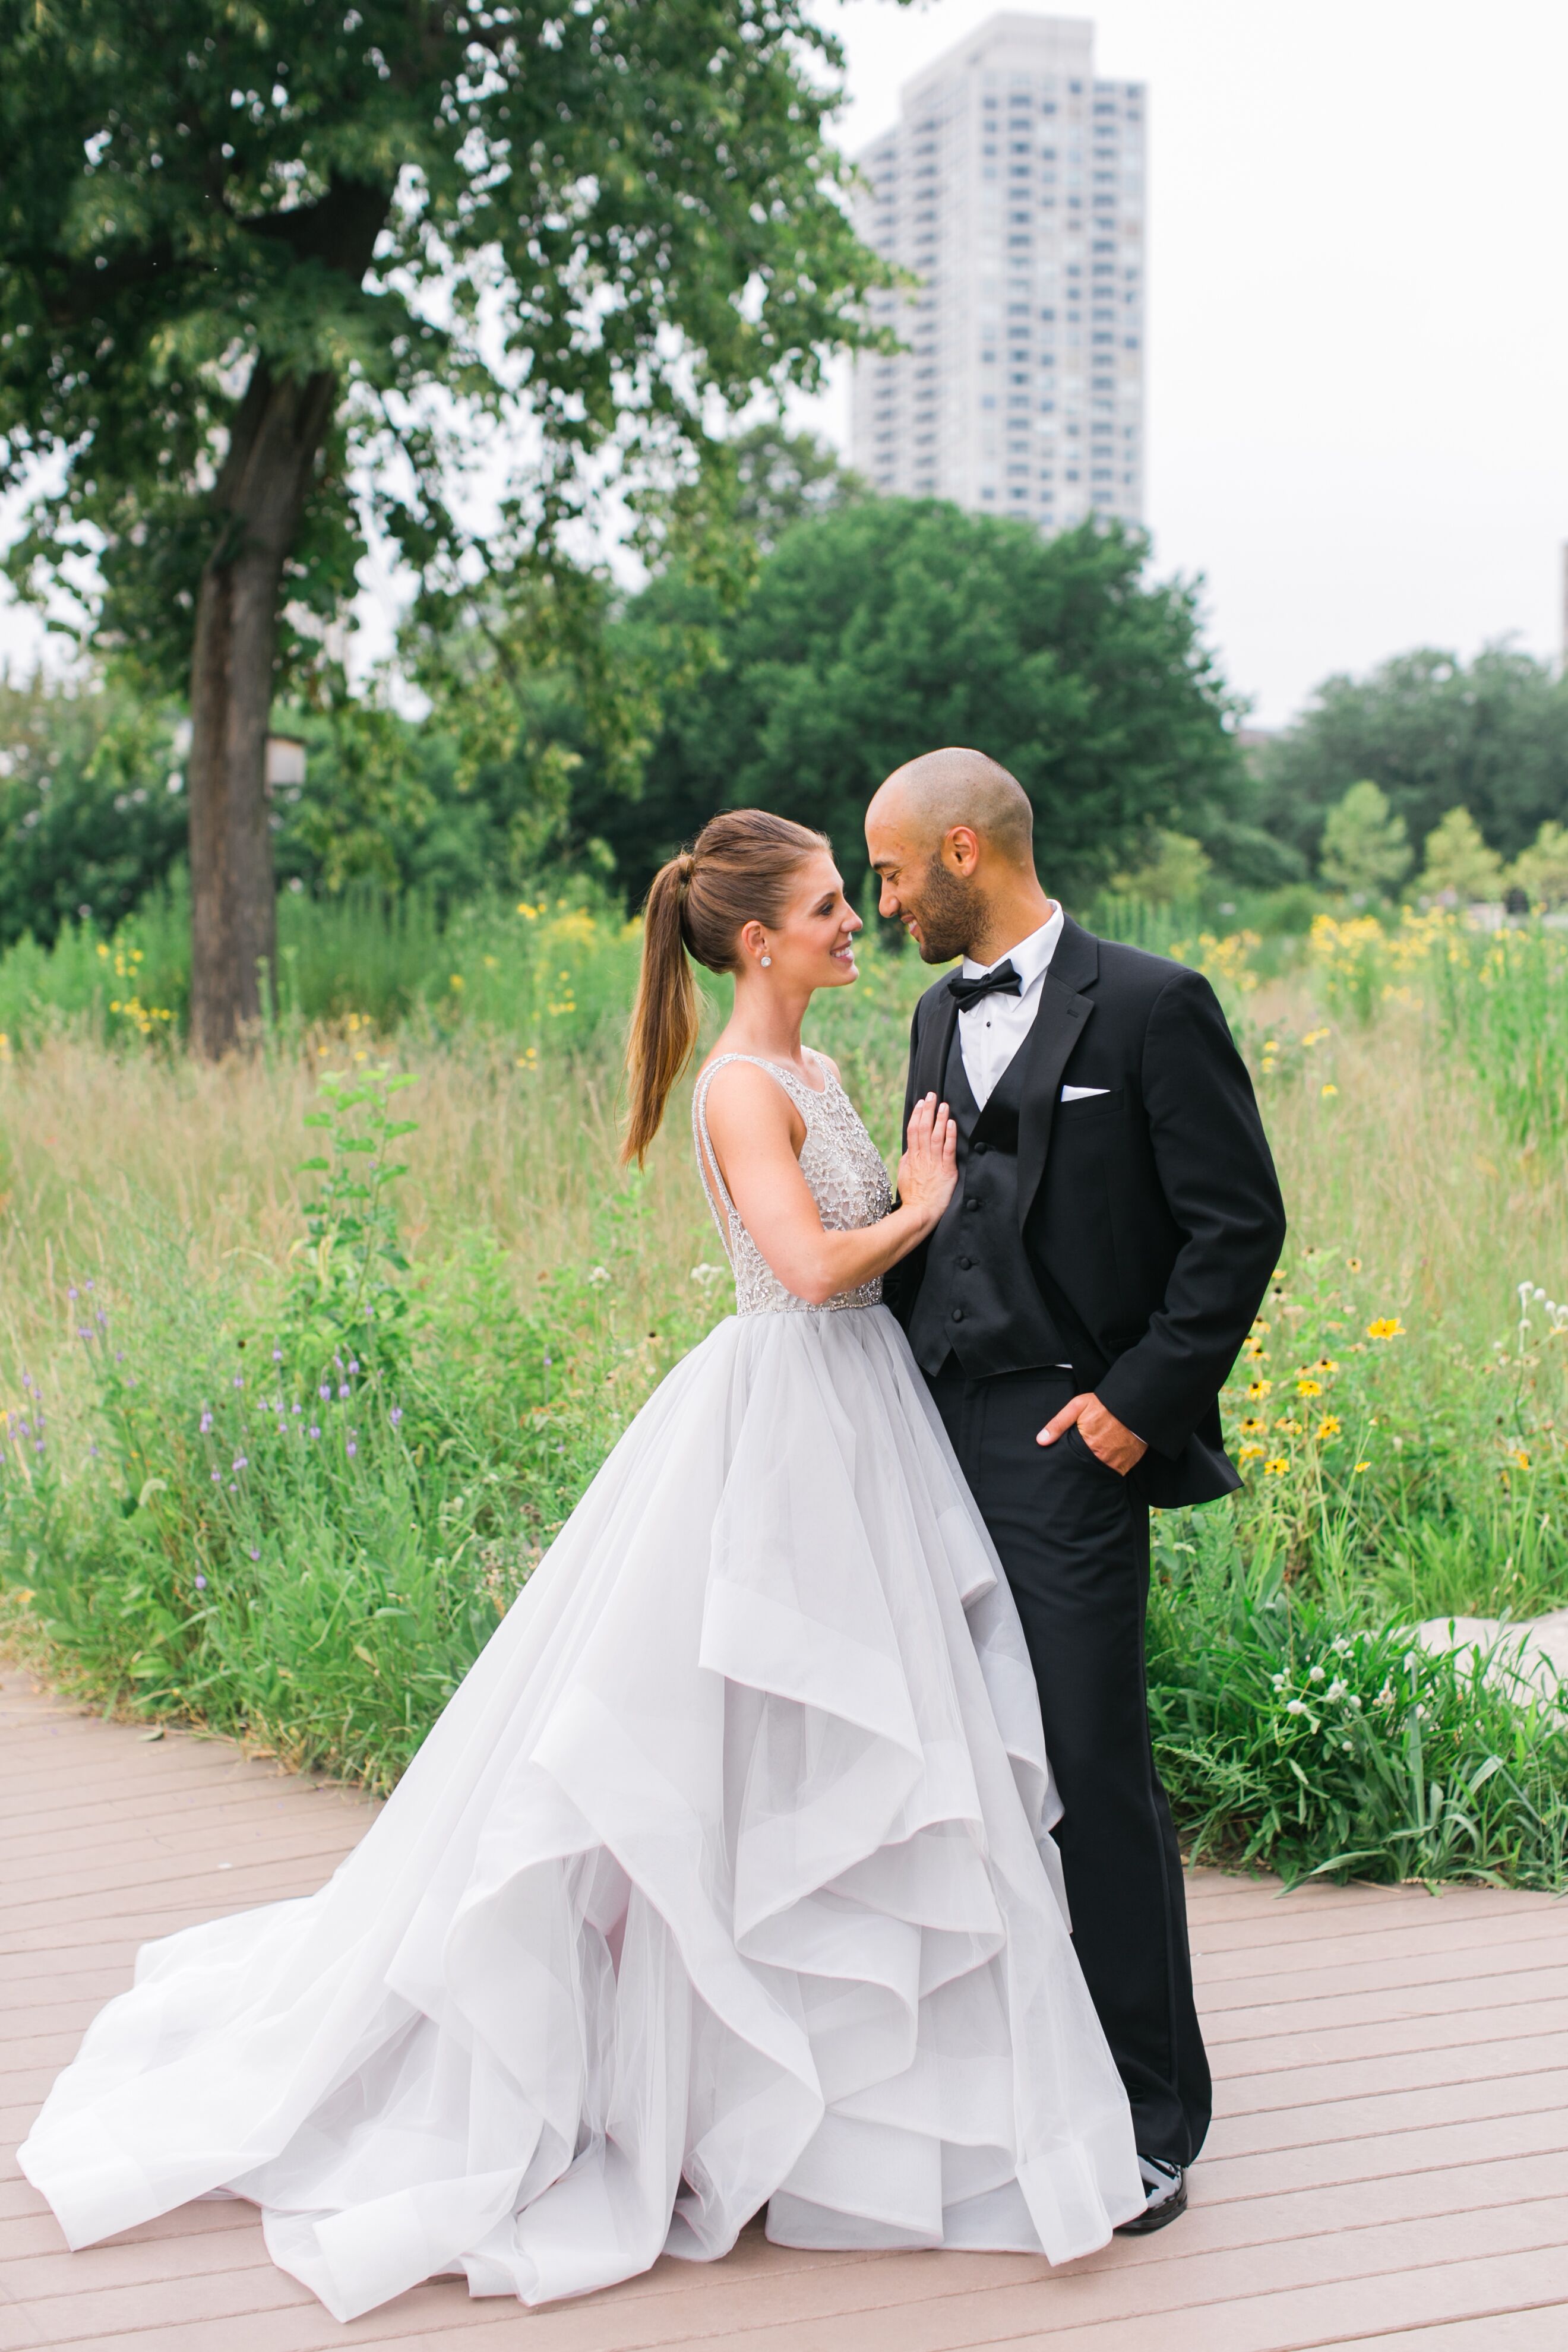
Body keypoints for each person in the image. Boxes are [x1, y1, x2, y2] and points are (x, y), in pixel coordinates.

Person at [20, 808, 1145, 2325]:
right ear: (759, 940)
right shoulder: (745, 1087)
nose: (852, 921)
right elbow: (808, 1268)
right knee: (732, 1749)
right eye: (829, 904)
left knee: (845, 1751)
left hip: (872, 1426)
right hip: (781, 1423)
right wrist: (927, 1208)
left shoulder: (824, 1067)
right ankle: (701, 2093)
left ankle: (837, 2102)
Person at [865, 748, 1288, 2233]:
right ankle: (1002, 2080)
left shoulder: (1158, 1006)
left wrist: (1133, 1408)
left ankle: (1153, 2116)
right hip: (927, 1434)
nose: (882, 898)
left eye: (895, 870)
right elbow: (935, 1233)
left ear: (964, 852)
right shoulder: (930, 1015)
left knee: (1090, 1761)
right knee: (959, 1765)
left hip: (1068, 1440)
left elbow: (1238, 1229)